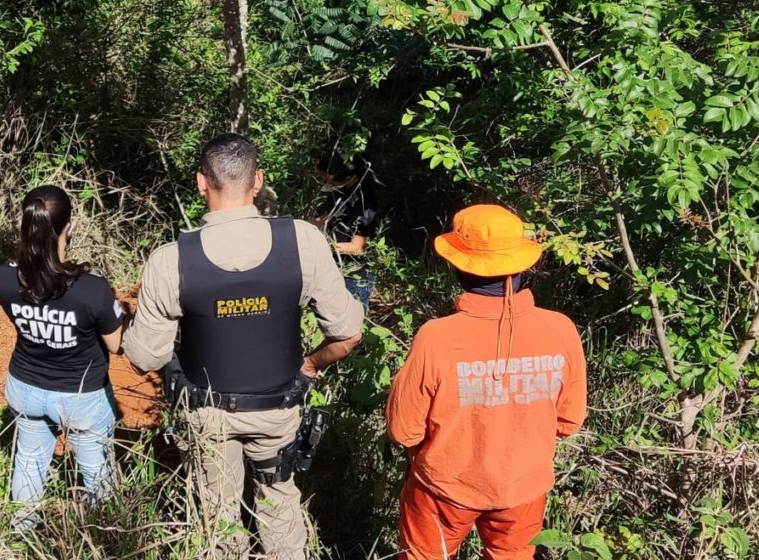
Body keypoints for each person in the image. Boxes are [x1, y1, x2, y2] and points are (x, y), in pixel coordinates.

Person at [122, 133, 363, 559]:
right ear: (258, 181)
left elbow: (145, 357)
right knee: (280, 505)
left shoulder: (171, 259)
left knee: (216, 513)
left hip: (207, 411)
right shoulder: (303, 241)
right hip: (279, 408)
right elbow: (348, 334)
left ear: (201, 183)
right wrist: (310, 363)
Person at [385, 204, 587, 560]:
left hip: (443, 489)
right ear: (523, 265)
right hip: (523, 489)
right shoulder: (560, 329)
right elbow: (569, 421)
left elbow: (404, 431)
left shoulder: (437, 337)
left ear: (457, 266)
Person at [0, 185, 123, 532]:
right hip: (81, 395)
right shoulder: (93, 289)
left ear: (26, 225)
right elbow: (115, 344)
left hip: (25, 386)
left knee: (29, 461)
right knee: (96, 471)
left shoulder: (4, 278)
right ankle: (102, 537)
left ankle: (22, 533)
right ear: (70, 226)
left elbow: (14, 295)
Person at [313, 152, 378, 308]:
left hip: (354, 273)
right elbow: (326, 217)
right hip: (332, 267)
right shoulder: (338, 190)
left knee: (353, 320)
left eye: (326, 180)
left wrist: (320, 247)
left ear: (348, 178)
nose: (324, 184)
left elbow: (358, 248)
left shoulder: (365, 201)